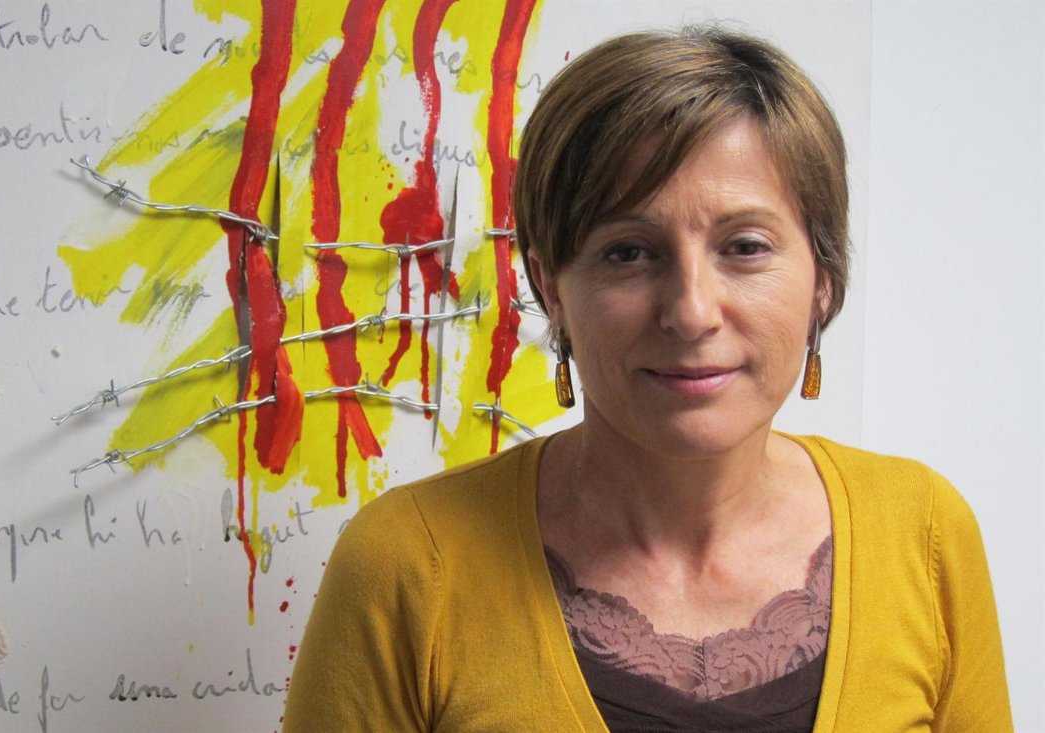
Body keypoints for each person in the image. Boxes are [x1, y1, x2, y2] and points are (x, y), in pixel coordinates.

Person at [284, 28, 1011, 732]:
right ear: (551, 287)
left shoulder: (923, 534)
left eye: (745, 246)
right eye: (628, 252)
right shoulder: (409, 565)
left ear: (823, 278)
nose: (691, 312)